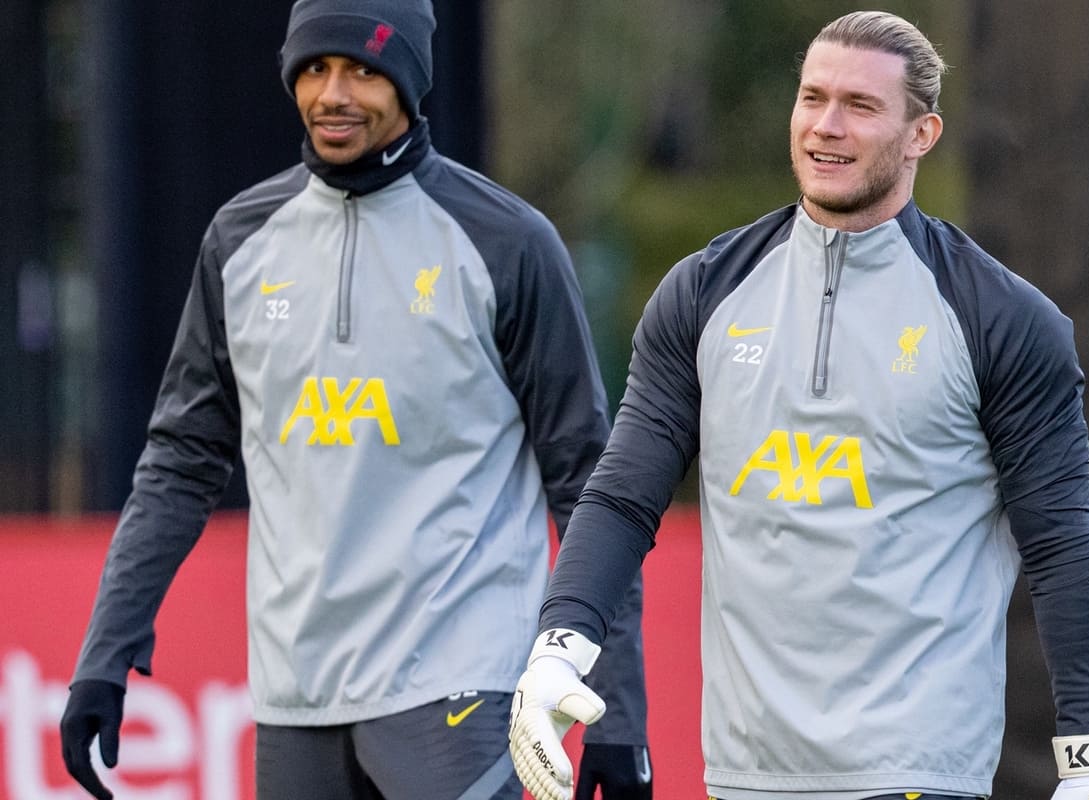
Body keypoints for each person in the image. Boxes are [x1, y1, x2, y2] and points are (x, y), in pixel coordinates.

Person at [508, 10, 1089, 800]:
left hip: (917, 771)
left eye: (861, 107)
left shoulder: (1002, 319)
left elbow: (1061, 548)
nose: (826, 127)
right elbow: (624, 497)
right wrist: (558, 646)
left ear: (920, 134)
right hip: (746, 772)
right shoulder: (702, 293)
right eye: (813, 98)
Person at [59, 1, 653, 798]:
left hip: (459, 685)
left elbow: (590, 488)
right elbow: (179, 461)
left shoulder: (507, 244)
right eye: (313, 69)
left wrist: (617, 714)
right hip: (293, 697)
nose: (332, 93)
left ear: (411, 82)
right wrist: (105, 650)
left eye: (363, 69)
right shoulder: (240, 241)